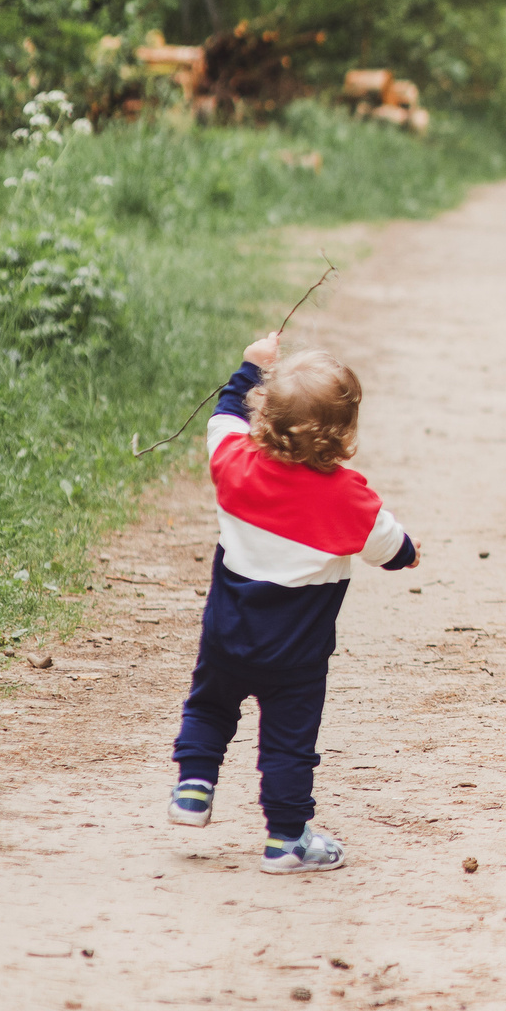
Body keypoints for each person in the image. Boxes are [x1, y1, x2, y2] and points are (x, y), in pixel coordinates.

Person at [165, 331, 420, 870]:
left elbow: (223, 420)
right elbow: (390, 547)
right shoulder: (350, 500)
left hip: (227, 636)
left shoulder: (235, 466)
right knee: (287, 744)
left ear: (266, 417)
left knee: (210, 705)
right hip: (297, 659)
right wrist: (410, 555)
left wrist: (250, 368)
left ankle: (193, 786)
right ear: (344, 434)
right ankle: (286, 840)